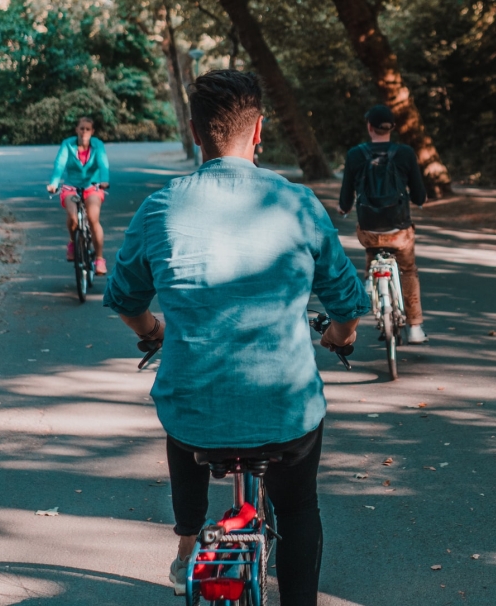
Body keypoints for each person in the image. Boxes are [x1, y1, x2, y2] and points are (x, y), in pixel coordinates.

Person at [103, 70, 368, 606]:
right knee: (297, 510)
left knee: (183, 418)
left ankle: (187, 543)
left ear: (197, 134)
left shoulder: (160, 208)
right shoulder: (297, 204)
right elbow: (345, 302)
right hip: (285, 413)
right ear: (260, 130)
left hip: (196, 417)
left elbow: (126, 299)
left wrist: (153, 331)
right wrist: (341, 337)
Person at [338, 104, 429, 343]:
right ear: (393, 128)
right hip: (399, 231)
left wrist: (344, 208)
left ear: (370, 127)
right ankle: (415, 328)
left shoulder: (356, 154)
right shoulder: (406, 153)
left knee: (373, 248)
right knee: (408, 270)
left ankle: (371, 282)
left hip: (368, 230)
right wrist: (420, 200)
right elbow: (419, 195)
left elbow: (346, 198)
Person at [46, 117, 110, 274]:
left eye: (88, 129)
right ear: (76, 130)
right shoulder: (68, 144)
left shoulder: (98, 145)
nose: (84, 132)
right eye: (82, 128)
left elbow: (103, 164)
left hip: (93, 186)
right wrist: (54, 183)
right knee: (73, 217)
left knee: (93, 218)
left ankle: (100, 259)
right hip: (71, 186)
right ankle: (72, 243)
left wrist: (104, 180)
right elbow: (59, 164)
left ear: (92, 132)